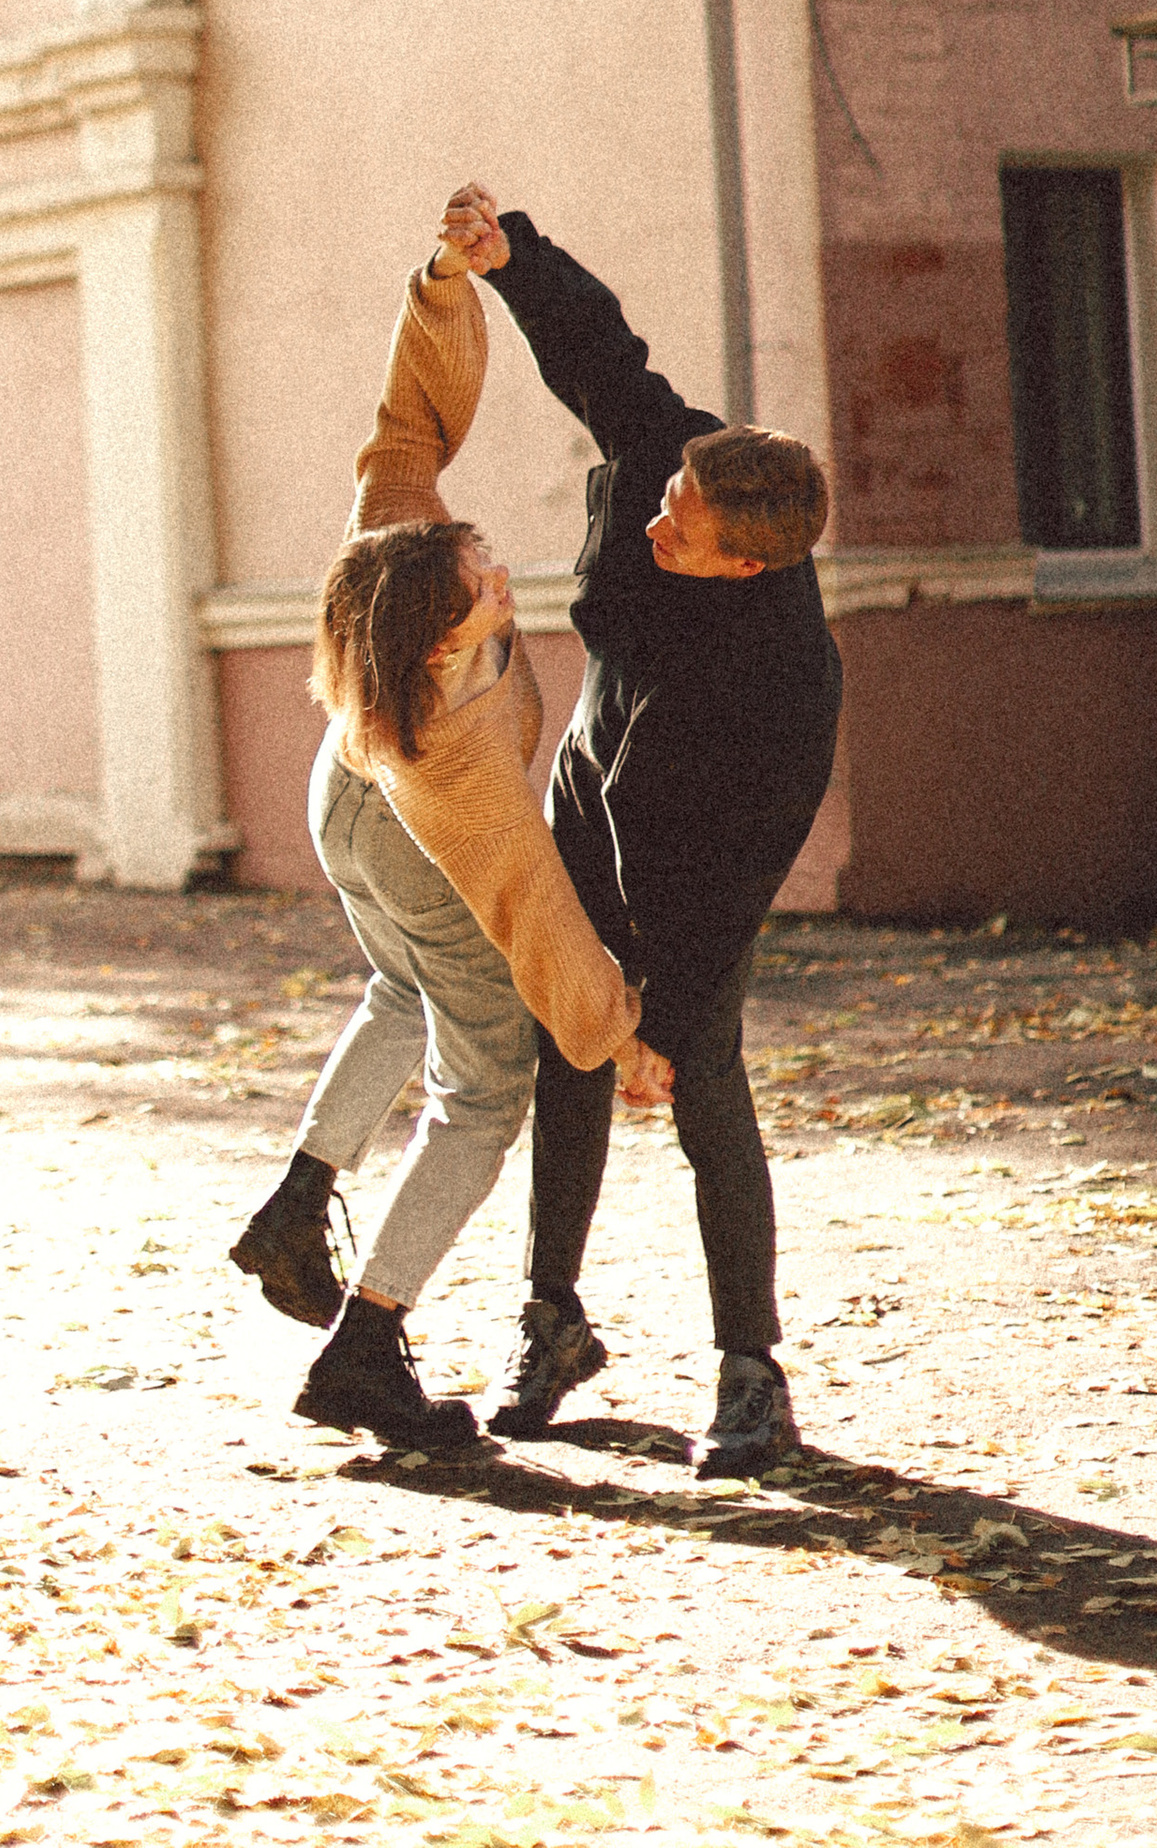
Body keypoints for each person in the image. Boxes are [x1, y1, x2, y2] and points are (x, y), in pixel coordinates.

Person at [227, 223, 670, 1454]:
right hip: (411, 829)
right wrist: (613, 1036)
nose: (499, 576)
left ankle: (298, 1201)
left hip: (344, 796)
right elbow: (518, 887)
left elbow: (409, 420)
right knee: (484, 1092)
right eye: (486, 584)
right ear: (437, 640)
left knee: (395, 984)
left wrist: (441, 286)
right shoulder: (459, 748)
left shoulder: (391, 548)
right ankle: (367, 1347)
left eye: (479, 558)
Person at [440, 184, 840, 1481]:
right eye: (667, 496)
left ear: (748, 566)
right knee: (569, 1045)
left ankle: (752, 1374)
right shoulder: (686, 456)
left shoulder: (791, 681)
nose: (656, 515)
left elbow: (747, 871)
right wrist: (517, 259)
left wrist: (666, 1014)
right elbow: (603, 351)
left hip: (692, 866)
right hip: (589, 794)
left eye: (682, 528)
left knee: (703, 1080)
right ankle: (552, 1324)